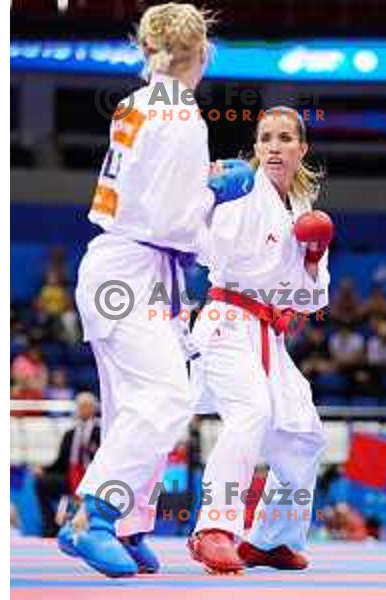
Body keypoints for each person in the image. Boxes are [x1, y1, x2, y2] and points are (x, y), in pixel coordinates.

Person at [57, 3, 254, 578]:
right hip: (134, 266)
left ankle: (128, 522)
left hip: (126, 266)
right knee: (166, 397)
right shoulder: (182, 113)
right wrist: (218, 190)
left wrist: (205, 182)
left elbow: (156, 195)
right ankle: (89, 516)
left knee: (132, 406)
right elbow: (174, 220)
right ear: (202, 55)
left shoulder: (138, 102)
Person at [187, 106, 332, 573]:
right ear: (255, 147)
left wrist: (312, 258)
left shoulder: (303, 210)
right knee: (251, 413)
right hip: (228, 319)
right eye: (265, 137)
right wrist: (209, 199)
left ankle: (269, 540)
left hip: (269, 332)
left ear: (301, 149)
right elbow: (211, 252)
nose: (273, 145)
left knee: (304, 434)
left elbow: (310, 299)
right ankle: (214, 527)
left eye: (285, 138)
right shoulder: (241, 191)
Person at [33, 392, 100, 537]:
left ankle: (100, 528)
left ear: (94, 408)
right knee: (42, 483)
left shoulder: (100, 432)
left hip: (93, 478)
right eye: (80, 407)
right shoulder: (70, 434)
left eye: (87, 406)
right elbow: (60, 461)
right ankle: (50, 528)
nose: (83, 410)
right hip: (71, 477)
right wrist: (43, 469)